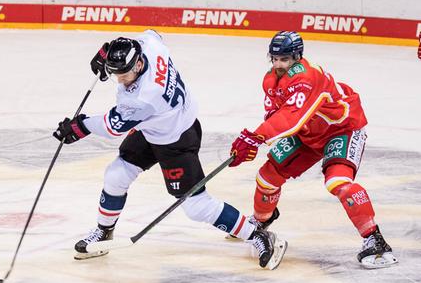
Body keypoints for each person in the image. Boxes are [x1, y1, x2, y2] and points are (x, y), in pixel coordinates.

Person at [53, 31, 286, 270]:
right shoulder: (150, 47)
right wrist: (107, 52)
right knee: (116, 175)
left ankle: (257, 235)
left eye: (124, 74)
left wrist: (79, 126)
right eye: (116, 75)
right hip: (152, 128)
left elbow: (112, 127)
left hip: (176, 139)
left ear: (139, 63)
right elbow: (152, 34)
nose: (121, 80)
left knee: (196, 207)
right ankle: (104, 232)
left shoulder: (145, 97)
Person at [228, 31, 397, 269]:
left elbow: (290, 118)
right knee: (267, 177)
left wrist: (257, 137)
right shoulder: (270, 80)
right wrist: (256, 139)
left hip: (341, 130)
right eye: (274, 59)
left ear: (297, 57)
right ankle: (261, 221)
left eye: (284, 60)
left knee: (338, 183)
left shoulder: (308, 77)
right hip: (307, 133)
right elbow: (277, 115)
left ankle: (374, 239)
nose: (278, 65)